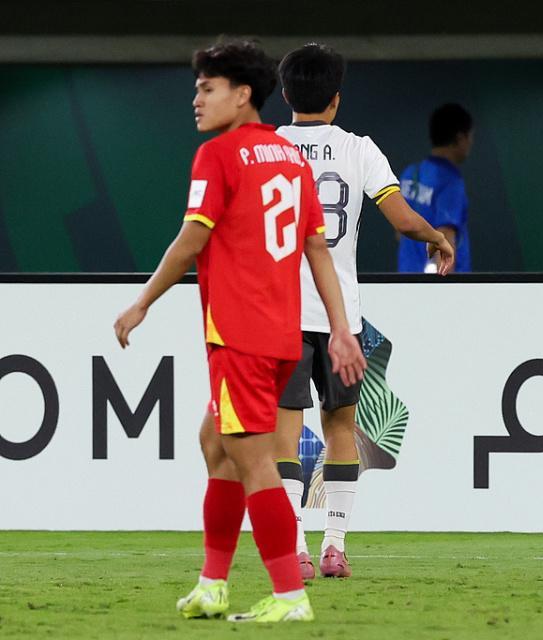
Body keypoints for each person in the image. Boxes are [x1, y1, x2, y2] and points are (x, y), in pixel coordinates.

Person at [113, 40, 366, 622]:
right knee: (216, 445)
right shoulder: (289, 157)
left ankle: (289, 596)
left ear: (242, 94)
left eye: (208, 88)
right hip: (281, 336)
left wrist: (142, 303)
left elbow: (191, 241)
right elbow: (317, 250)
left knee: (254, 463)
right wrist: (339, 328)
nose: (197, 99)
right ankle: (213, 585)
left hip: (240, 338)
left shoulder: (219, 155)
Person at [274, 43, 455, 580]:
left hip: (281, 315)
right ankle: (334, 546)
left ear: (284, 94)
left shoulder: (267, 148)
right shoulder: (359, 149)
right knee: (341, 427)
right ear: (336, 98)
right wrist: (435, 237)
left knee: (285, 433)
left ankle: (295, 550)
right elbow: (401, 218)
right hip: (341, 320)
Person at [397, 103, 473, 273]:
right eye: (470, 136)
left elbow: (399, 231)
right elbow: (445, 236)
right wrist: (444, 286)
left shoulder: (410, 173)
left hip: (406, 281)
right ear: (460, 138)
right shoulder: (451, 182)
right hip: (436, 284)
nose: (471, 142)